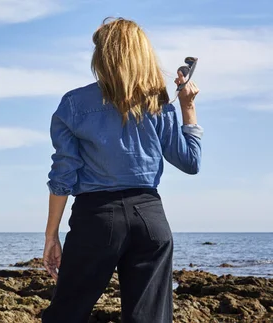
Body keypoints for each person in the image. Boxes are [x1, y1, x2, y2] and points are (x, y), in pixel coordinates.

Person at [41, 17, 203, 323]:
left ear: (100, 56)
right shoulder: (158, 100)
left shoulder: (74, 104)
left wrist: (52, 235)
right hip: (151, 219)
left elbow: (62, 177)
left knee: (65, 315)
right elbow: (190, 162)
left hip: (97, 218)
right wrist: (188, 108)